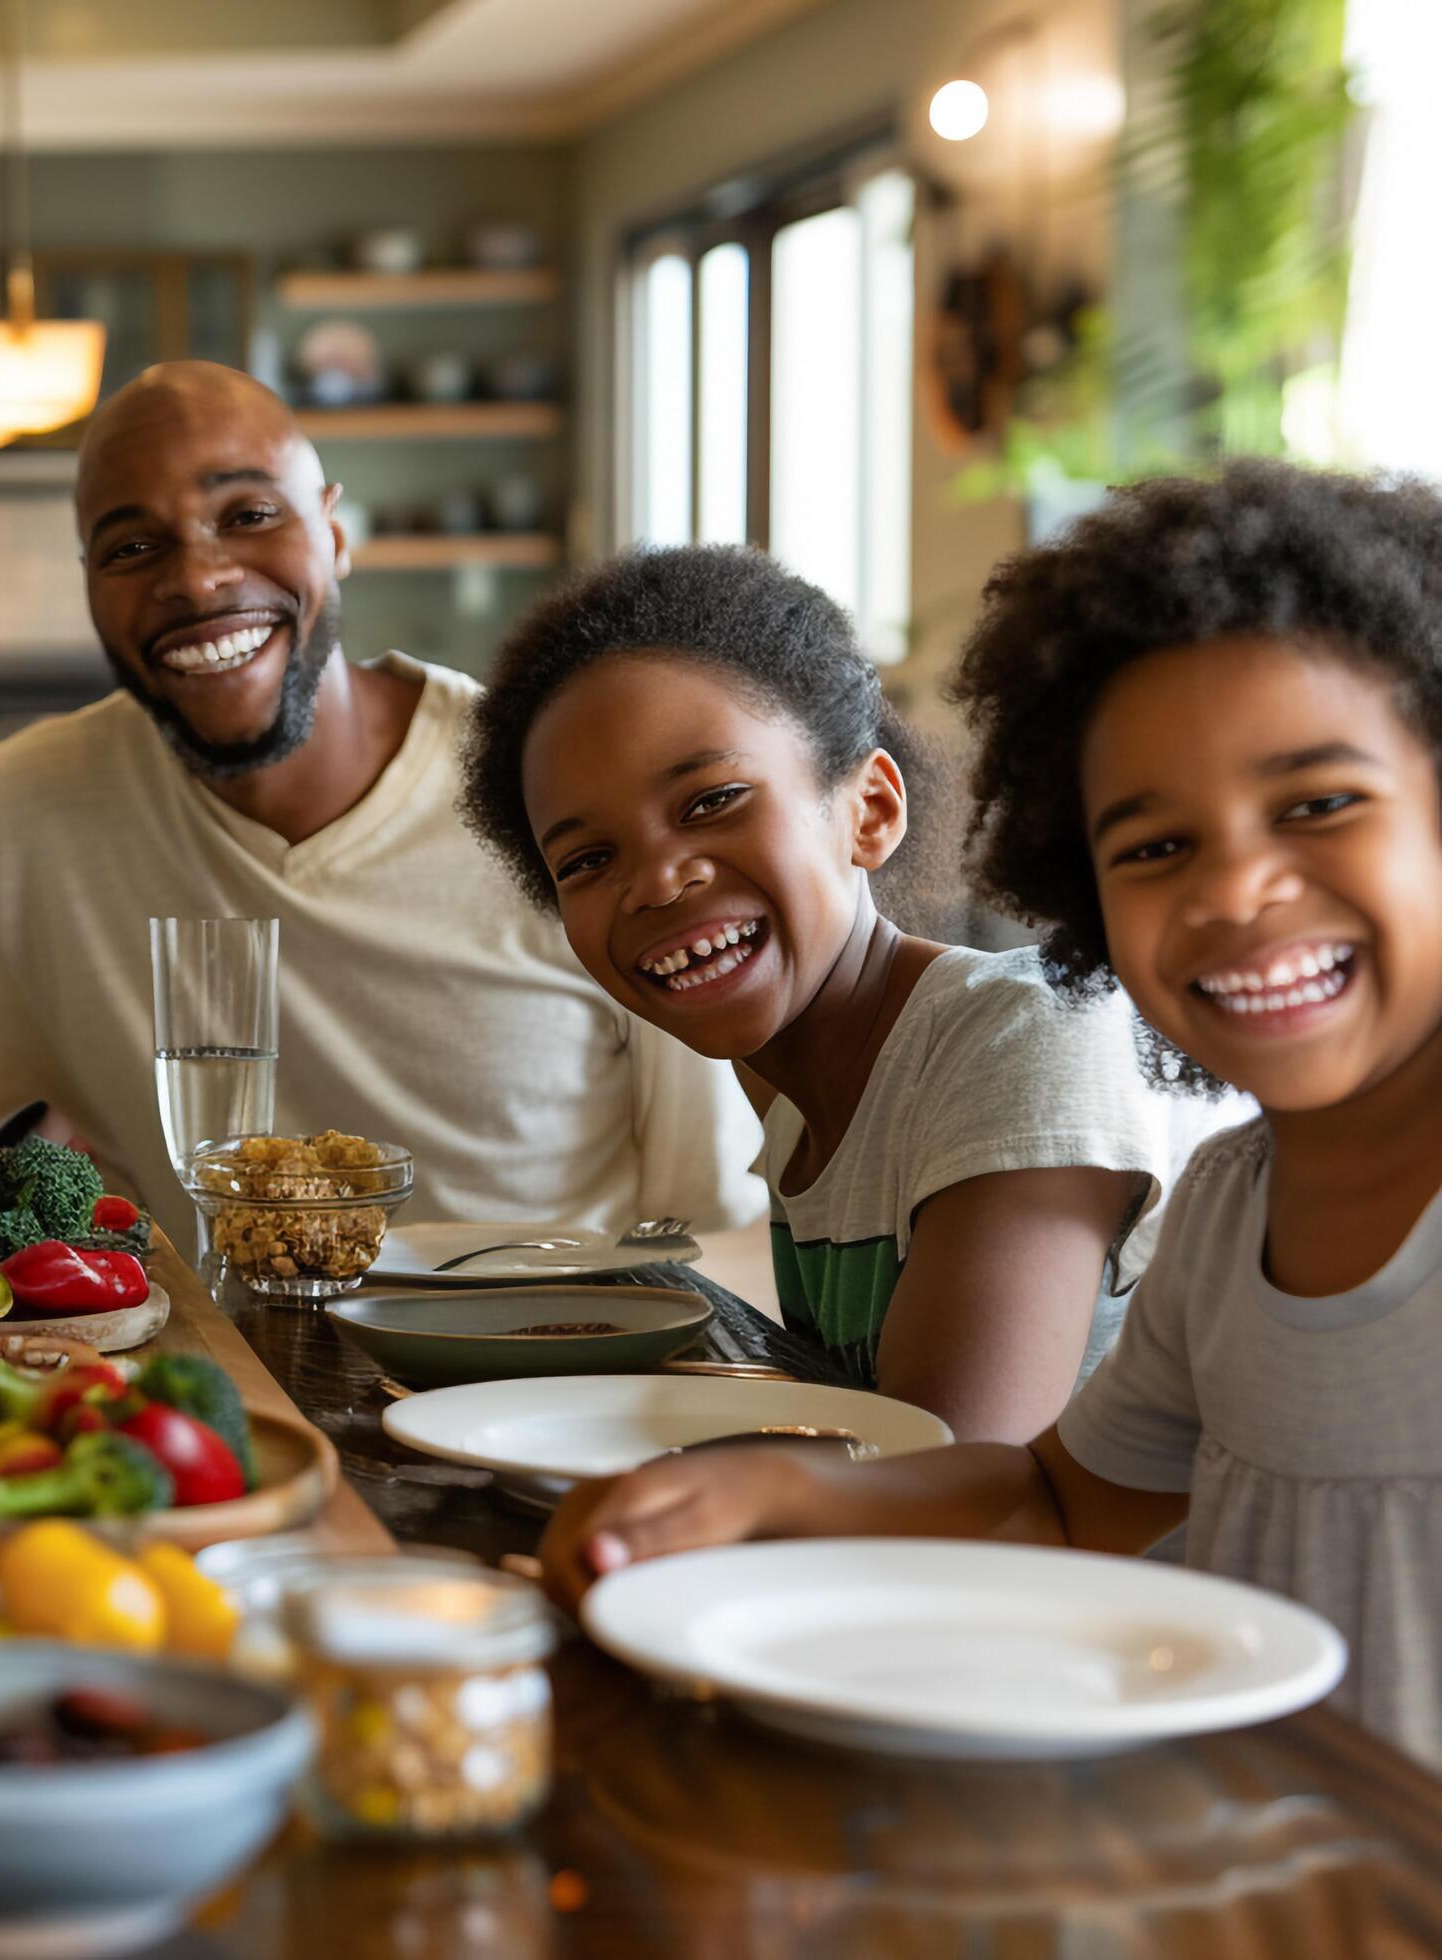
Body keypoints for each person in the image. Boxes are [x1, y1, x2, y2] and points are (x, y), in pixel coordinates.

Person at [537, 463, 1442, 1767]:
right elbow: (1061, 1497)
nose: (1236, 890)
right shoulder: (1238, 1210)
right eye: (1154, 846)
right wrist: (780, 1485)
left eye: (1317, 805)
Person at [0, 361, 762, 1238]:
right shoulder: (27, 816)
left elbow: (705, 1214)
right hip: (213, 1425)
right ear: (90, 585)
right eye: (134, 547)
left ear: (336, 535)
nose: (200, 576)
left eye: (248, 514)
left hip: (546, 1401)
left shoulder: (565, 795)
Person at [462, 548, 1226, 1440]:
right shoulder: (798, 1099)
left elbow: (935, 1478)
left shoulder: (1027, 1039)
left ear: (868, 811)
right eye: (588, 860)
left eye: (713, 801)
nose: (658, 883)